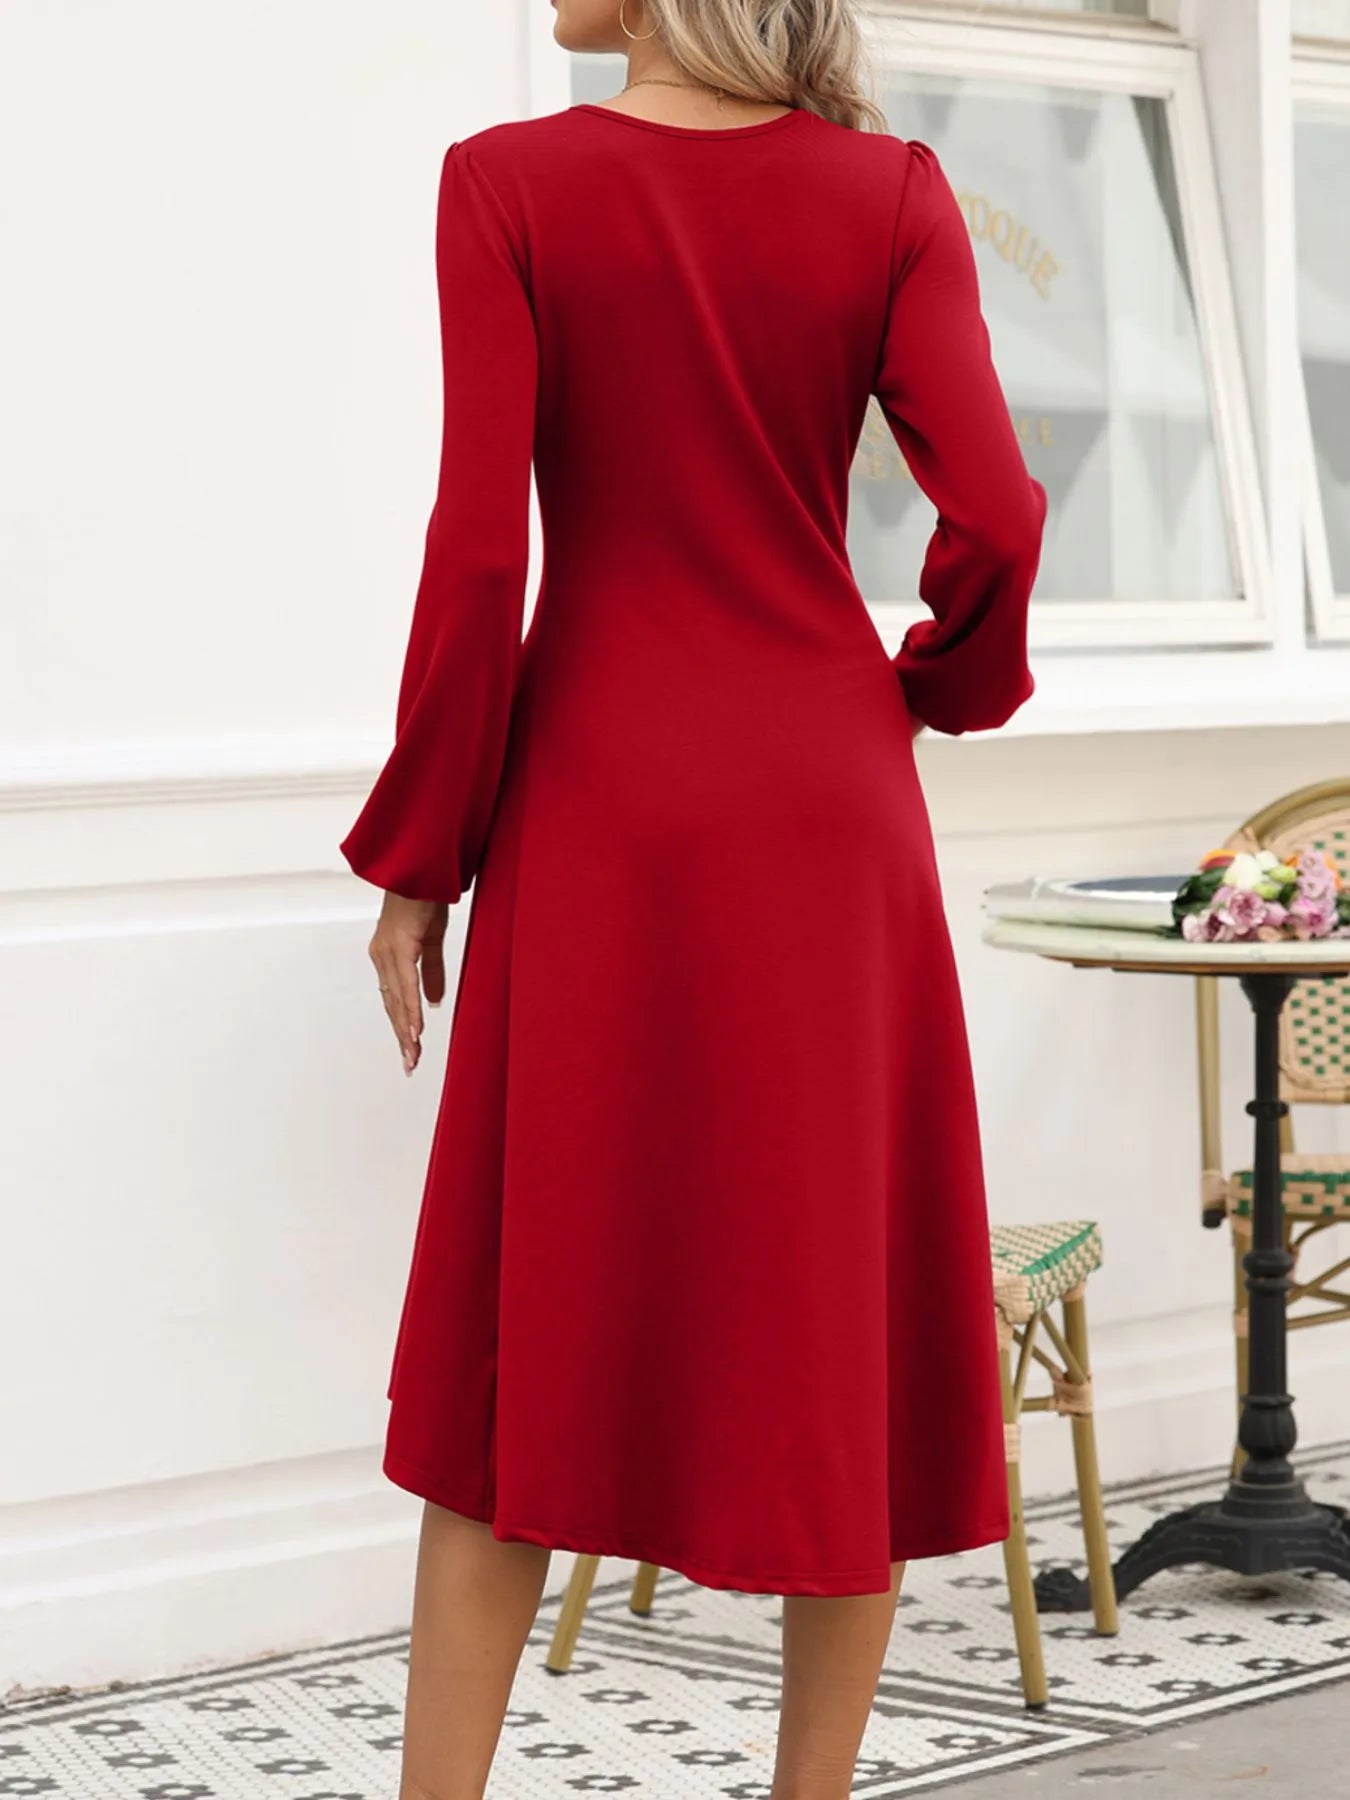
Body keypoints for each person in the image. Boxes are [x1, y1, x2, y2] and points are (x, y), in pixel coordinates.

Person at [338, 0, 1047, 1794]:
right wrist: (938, 690)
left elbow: (483, 547)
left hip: (600, 811)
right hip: (827, 811)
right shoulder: (890, 196)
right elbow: (1003, 514)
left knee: (523, 1339)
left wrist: (426, 853)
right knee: (832, 1321)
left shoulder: (507, 185)